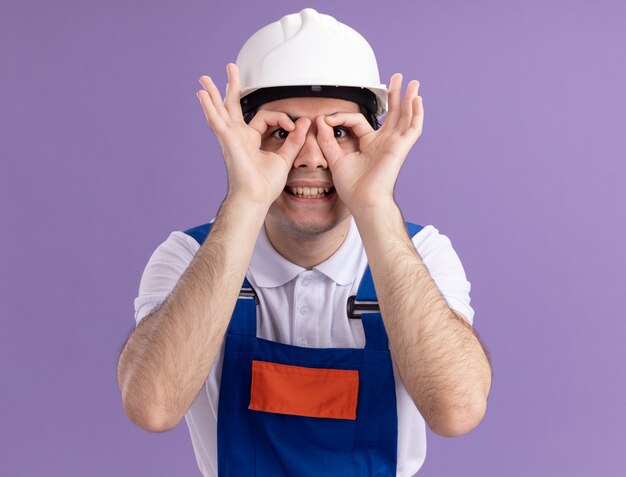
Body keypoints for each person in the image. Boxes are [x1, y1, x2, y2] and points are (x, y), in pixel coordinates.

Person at [117, 8, 492, 477]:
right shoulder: (189, 257)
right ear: (243, 141)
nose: (312, 157)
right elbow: (152, 407)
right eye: (281, 132)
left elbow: (456, 412)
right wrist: (248, 197)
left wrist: (375, 206)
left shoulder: (424, 254)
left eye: (339, 133)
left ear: (371, 142)